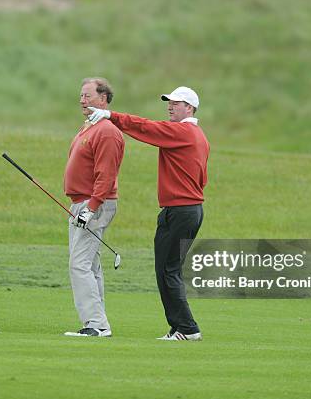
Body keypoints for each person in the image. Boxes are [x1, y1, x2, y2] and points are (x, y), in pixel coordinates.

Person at [88, 86, 209, 341]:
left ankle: (187, 328)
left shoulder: (184, 132)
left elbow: (146, 128)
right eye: (169, 102)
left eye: (176, 103)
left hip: (181, 210)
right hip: (187, 209)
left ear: (189, 108)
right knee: (167, 270)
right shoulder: (196, 135)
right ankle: (179, 327)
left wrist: (111, 116)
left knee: (168, 270)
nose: (170, 106)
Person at [63, 77, 125, 337]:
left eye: (87, 96)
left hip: (94, 204)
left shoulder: (107, 131)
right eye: (80, 96)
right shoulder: (89, 127)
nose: (82, 101)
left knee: (79, 265)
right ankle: (98, 321)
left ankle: (97, 325)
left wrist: (92, 207)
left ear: (103, 99)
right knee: (90, 265)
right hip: (83, 203)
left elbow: (106, 175)